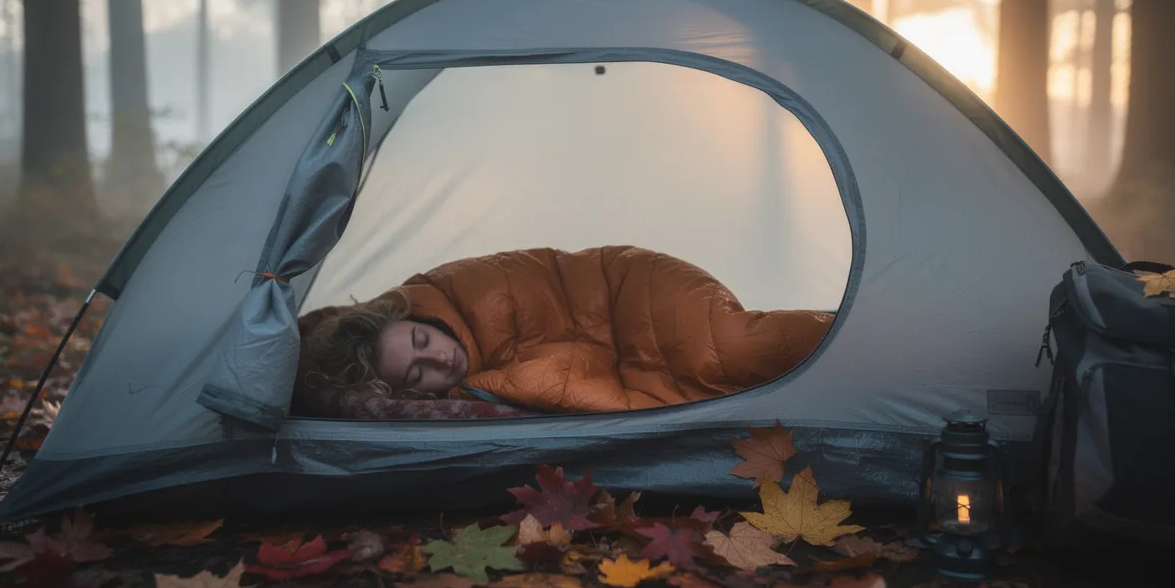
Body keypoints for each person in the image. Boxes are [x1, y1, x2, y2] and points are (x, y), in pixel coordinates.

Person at [291, 245, 836, 417]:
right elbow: (571, 371)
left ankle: (875, 342)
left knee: (735, 345)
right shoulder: (476, 383)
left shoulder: (453, 290)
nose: (439, 360)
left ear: (409, 318)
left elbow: (559, 291)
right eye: (418, 372)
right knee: (709, 395)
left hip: (632, 294)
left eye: (422, 342)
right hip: (616, 356)